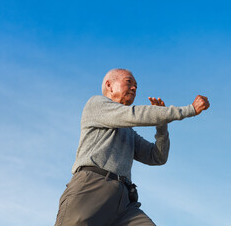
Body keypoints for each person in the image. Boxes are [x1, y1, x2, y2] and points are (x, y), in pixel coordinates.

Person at [54, 69, 210, 226]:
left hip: (124, 204)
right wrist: (189, 109)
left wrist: (161, 125)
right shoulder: (96, 104)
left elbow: (157, 157)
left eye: (136, 85)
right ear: (109, 85)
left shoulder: (127, 132)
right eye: (129, 82)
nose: (134, 88)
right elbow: (135, 114)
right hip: (90, 190)